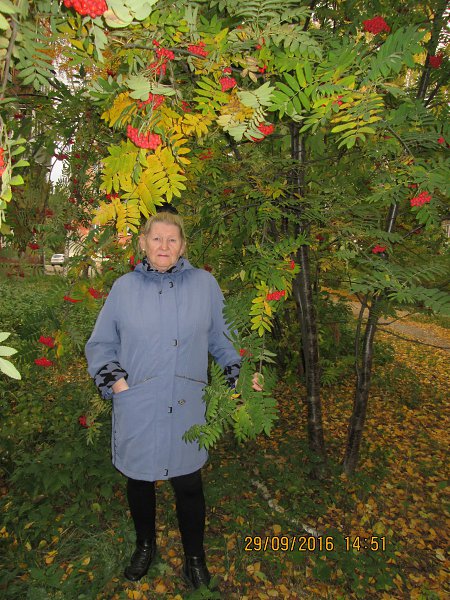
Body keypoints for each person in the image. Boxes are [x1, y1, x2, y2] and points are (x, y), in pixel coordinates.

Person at [85, 210, 261, 589]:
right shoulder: (124, 289)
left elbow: (225, 341)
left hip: (187, 405)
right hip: (139, 403)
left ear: (183, 246)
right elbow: (101, 344)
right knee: (139, 480)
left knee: (189, 483)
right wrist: (118, 385)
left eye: (172, 239)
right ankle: (144, 546)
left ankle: (194, 558)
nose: (163, 246)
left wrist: (243, 376)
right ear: (143, 243)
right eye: (156, 238)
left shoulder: (204, 285)